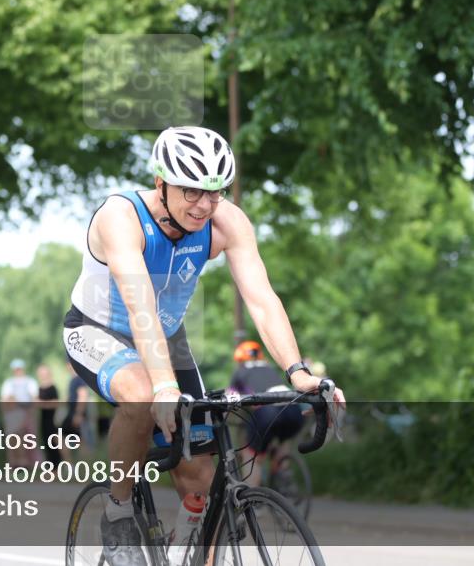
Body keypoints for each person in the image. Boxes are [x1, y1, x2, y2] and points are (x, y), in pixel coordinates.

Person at [62, 126, 346, 566]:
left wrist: (298, 372)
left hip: (167, 338)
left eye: (215, 192)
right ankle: (118, 518)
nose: (204, 205)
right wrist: (162, 388)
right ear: (161, 183)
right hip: (99, 330)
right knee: (140, 396)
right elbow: (140, 307)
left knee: (201, 483)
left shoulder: (226, 221)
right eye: (191, 192)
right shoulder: (121, 218)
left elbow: (261, 298)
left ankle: (190, 546)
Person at [229, 340, 305, 487]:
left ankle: (251, 499)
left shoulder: (240, 371)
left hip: (267, 412)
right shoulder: (269, 368)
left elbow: (230, 397)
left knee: (251, 456)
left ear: (240, 359)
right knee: (283, 440)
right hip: (294, 410)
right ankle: (283, 474)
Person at [0, 359, 40, 468]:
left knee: (28, 440)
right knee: (13, 440)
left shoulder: (30, 382)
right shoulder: (9, 383)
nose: (18, 371)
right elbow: (4, 400)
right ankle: (14, 464)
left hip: (27, 413)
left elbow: (34, 399)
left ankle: (28, 464)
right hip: (12, 414)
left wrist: (31, 413)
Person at [61, 358, 92, 463]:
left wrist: (78, 414)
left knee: (82, 441)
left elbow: (83, 396)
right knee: (75, 440)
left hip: (77, 414)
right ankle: (72, 465)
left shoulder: (79, 379)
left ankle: (84, 467)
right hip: (72, 414)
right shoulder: (73, 379)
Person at [36, 364, 63, 465]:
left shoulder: (52, 387)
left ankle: (58, 467)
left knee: (54, 443)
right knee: (46, 443)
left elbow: (55, 404)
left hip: (52, 420)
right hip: (43, 419)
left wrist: (41, 404)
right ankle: (51, 467)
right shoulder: (39, 388)